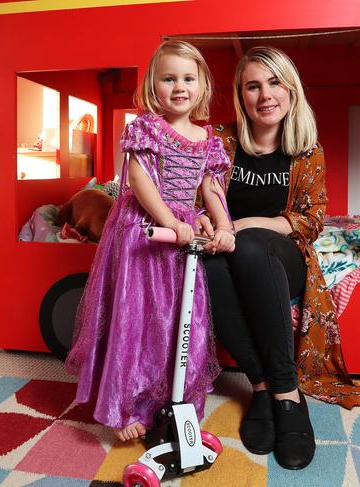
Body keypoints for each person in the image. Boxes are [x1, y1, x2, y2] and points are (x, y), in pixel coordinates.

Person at [199, 47, 360, 470]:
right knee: (209, 263)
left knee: (251, 243)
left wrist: (245, 224)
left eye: (274, 82)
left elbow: (311, 221)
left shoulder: (306, 150)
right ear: (241, 95)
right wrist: (207, 224)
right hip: (226, 251)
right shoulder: (219, 141)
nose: (265, 94)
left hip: (278, 258)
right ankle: (259, 385)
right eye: (253, 85)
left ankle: (288, 394)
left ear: (291, 91)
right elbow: (196, 193)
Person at [65, 40, 236, 443]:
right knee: (137, 319)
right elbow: (140, 180)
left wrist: (223, 225)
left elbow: (211, 189)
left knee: (181, 320)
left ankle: (176, 403)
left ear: (202, 85)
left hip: (182, 237)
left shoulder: (209, 139)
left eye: (188, 78)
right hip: (145, 229)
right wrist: (169, 222)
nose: (180, 87)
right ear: (152, 87)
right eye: (169, 78)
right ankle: (125, 407)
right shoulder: (145, 128)